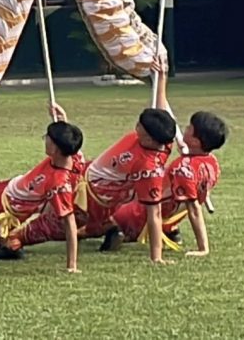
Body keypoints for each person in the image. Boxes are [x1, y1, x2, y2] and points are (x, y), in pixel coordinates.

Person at [11, 60, 179, 265]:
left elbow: (154, 213)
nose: (136, 126)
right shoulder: (163, 138)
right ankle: (107, 228)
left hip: (93, 200)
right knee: (44, 199)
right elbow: (159, 109)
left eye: (141, 127)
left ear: (150, 139)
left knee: (52, 225)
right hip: (87, 173)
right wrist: (160, 77)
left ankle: (13, 239)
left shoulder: (149, 169)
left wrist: (157, 257)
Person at [0, 113, 85, 273]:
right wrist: (62, 119)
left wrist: (72, 265)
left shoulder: (58, 184)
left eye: (47, 137)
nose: (45, 140)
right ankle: (6, 245)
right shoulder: (73, 155)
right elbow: (68, 138)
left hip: (4, 208)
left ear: (54, 148)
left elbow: (69, 224)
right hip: (5, 189)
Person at [106, 111, 228, 255]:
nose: (185, 129)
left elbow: (194, 209)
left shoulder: (183, 170)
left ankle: (112, 230)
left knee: (97, 215)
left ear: (195, 141)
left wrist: (203, 248)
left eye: (190, 128)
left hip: (139, 214)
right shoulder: (212, 163)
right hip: (165, 215)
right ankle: (170, 228)